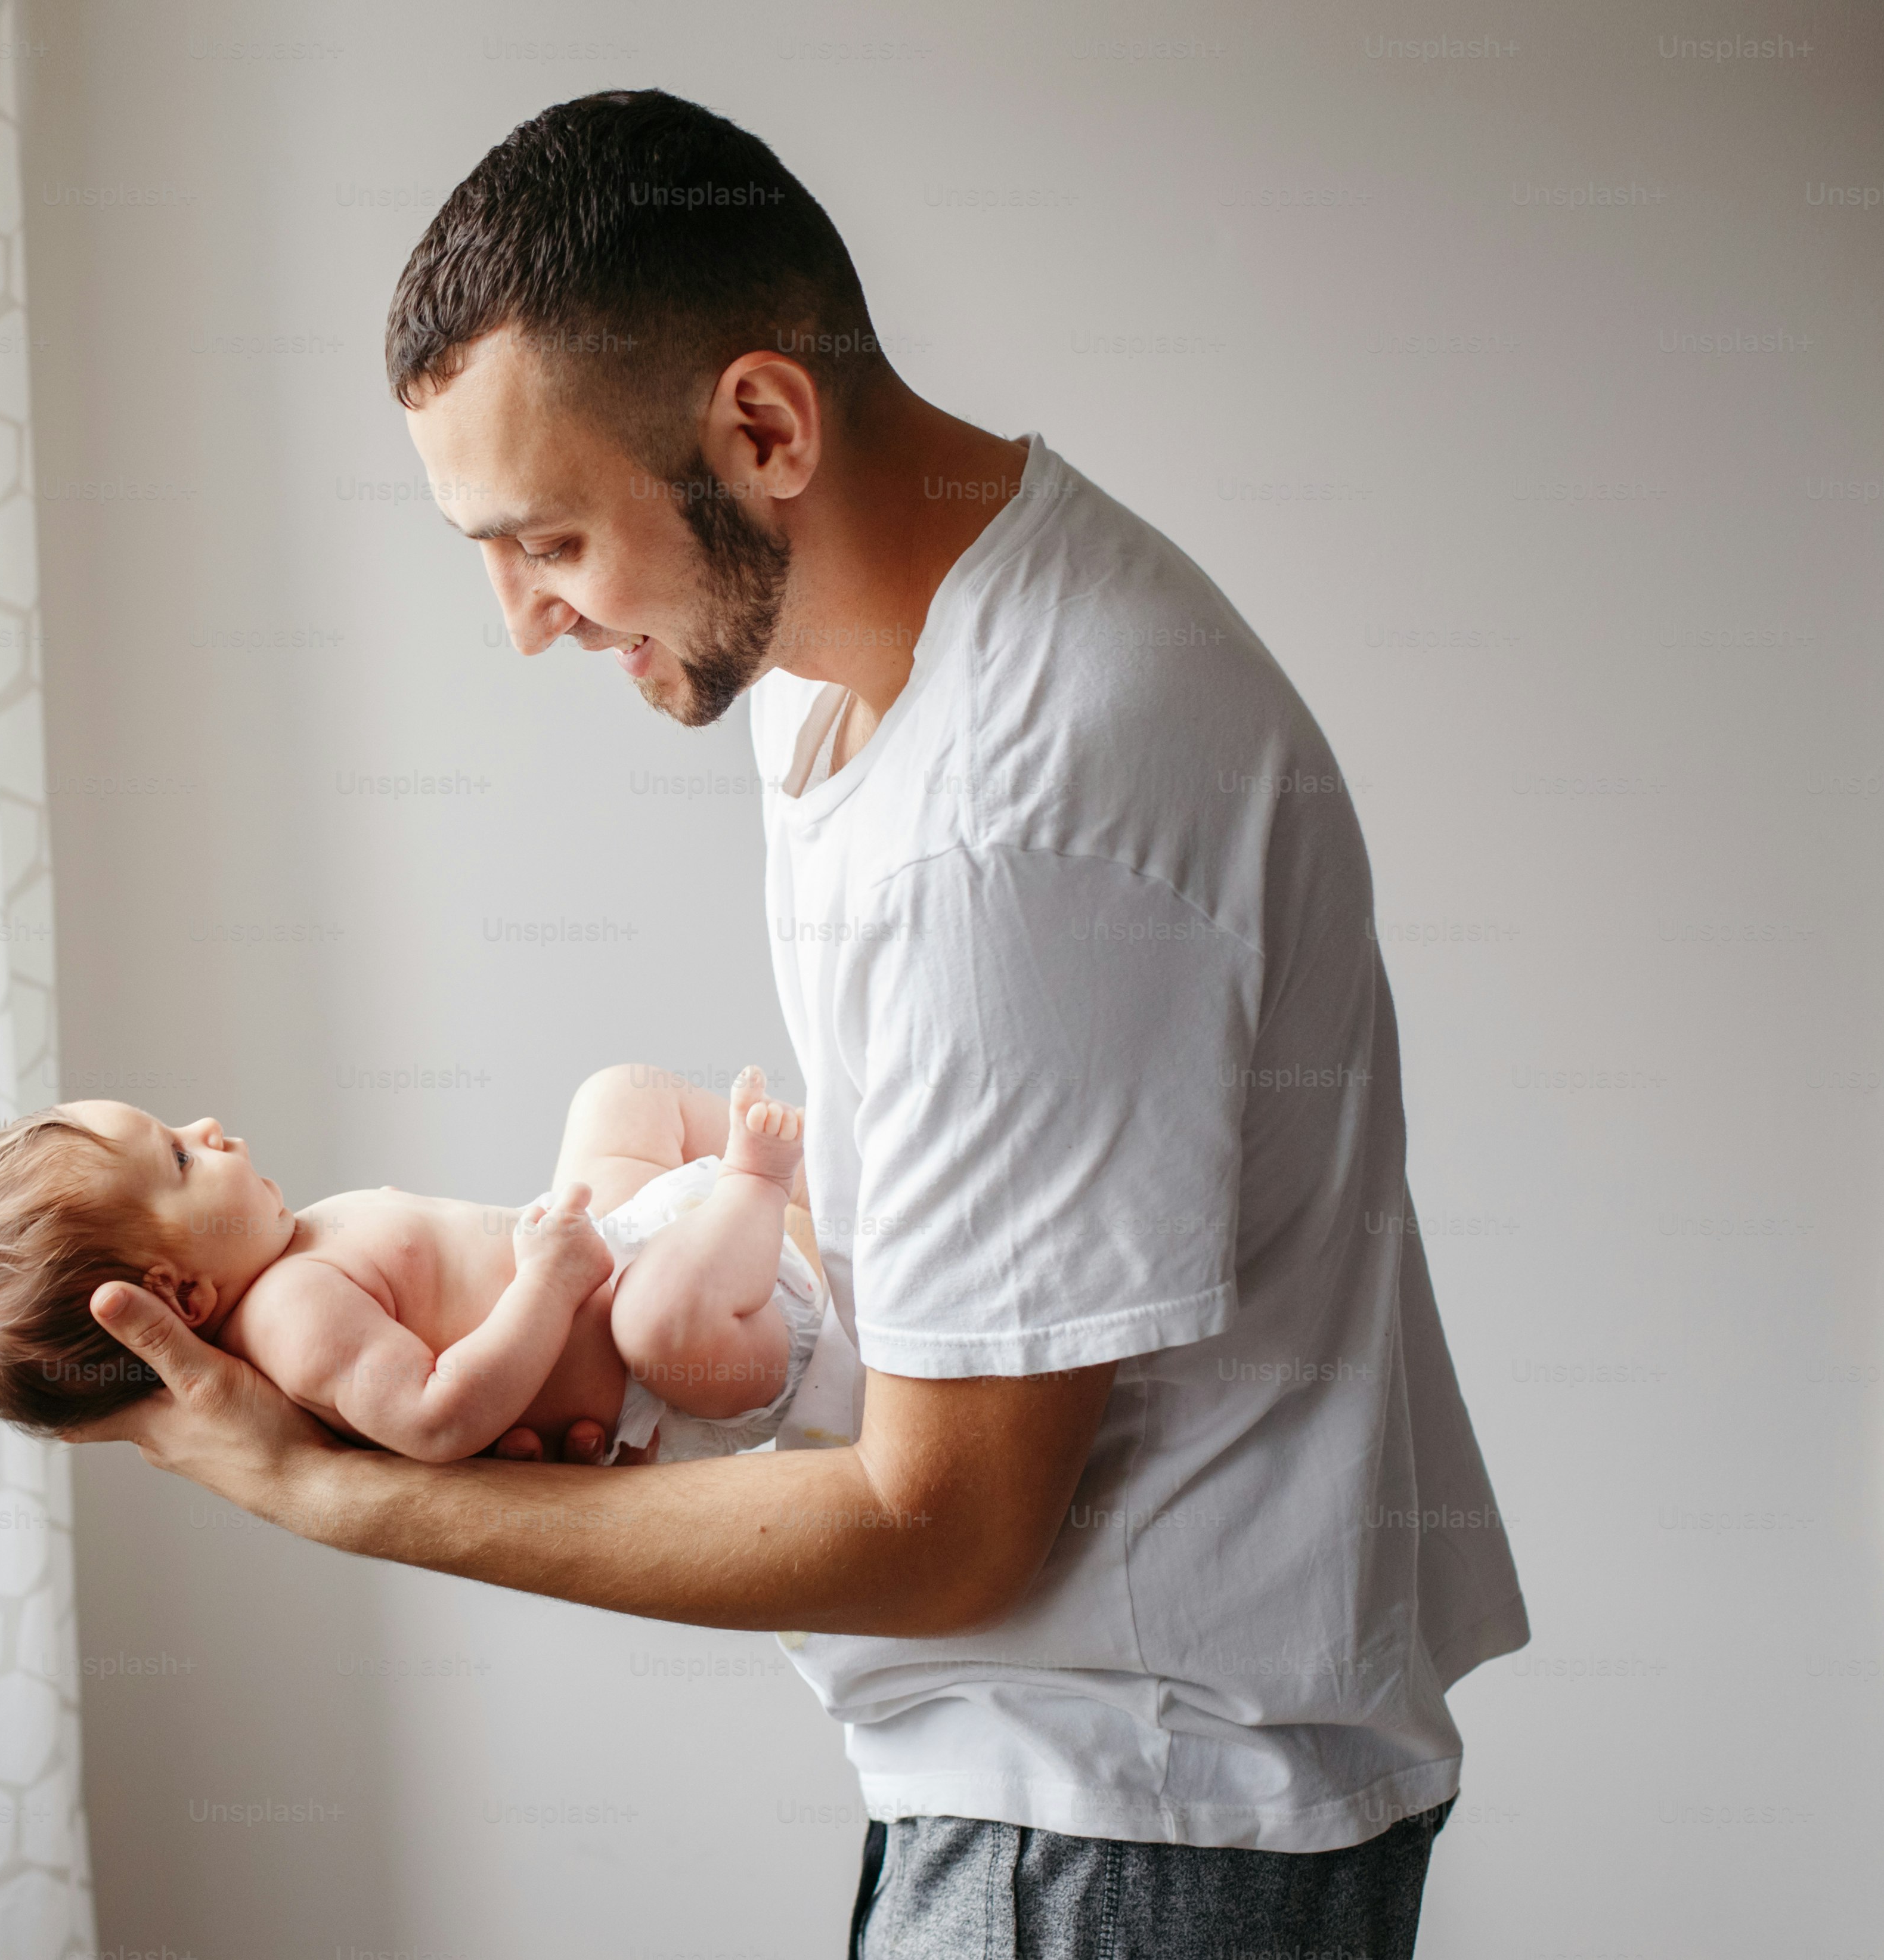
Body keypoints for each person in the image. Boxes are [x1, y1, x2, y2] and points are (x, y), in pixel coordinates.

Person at [76, 89, 1528, 1956]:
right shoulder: (840, 681)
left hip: (1118, 1822)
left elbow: (946, 1532)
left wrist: (332, 1496)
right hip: (1061, 1785)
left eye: (548, 542)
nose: (522, 622)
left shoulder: (1014, 816)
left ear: (762, 427)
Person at [0, 1067, 829, 1467]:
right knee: (659, 1322)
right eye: (181, 1162)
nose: (208, 1129)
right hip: (678, 1364)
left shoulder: (298, 1250)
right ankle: (760, 1182)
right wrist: (546, 1282)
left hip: (632, 1247)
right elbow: (437, 1417)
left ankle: (808, 1173)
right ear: (179, 1294)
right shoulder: (291, 1320)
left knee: (616, 1097)